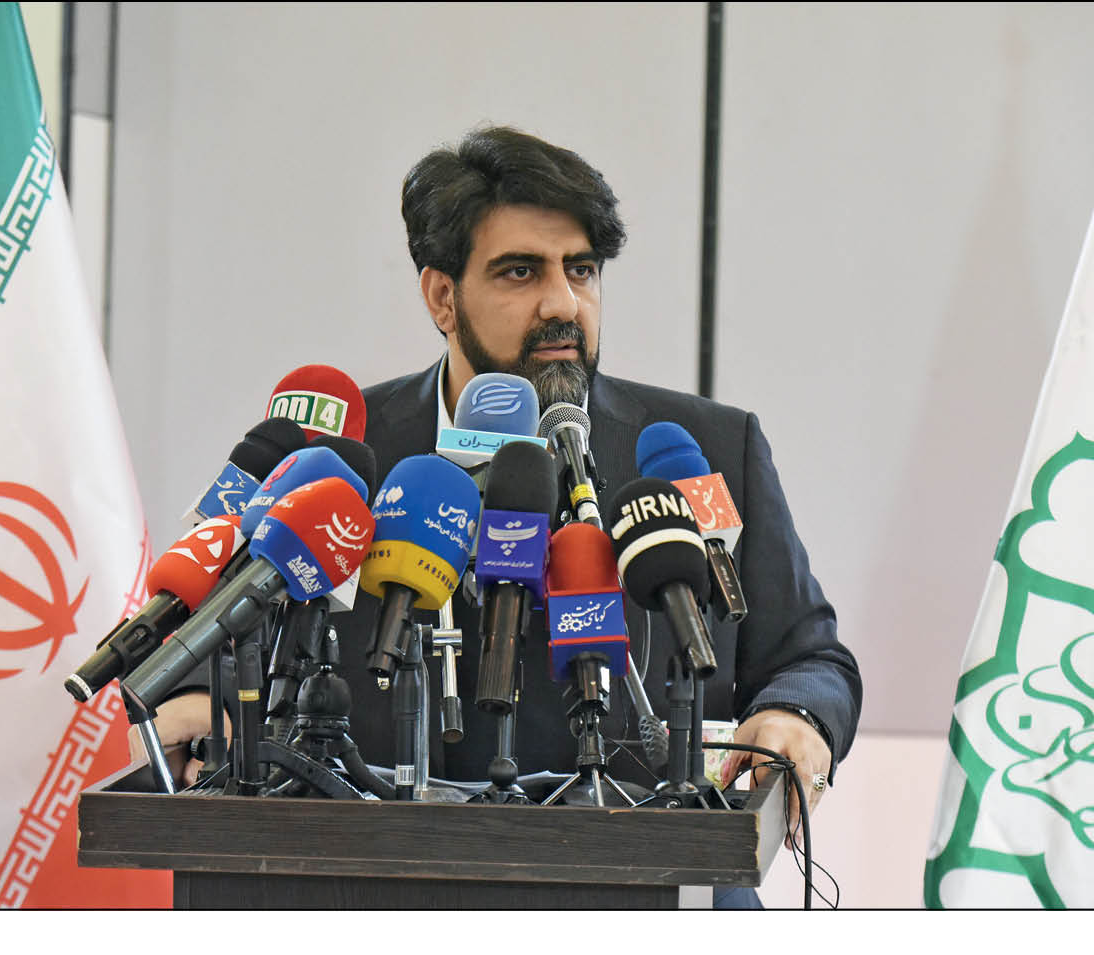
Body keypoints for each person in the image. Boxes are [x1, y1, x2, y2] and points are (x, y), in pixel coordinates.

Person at [134, 126, 862, 898]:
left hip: (648, 891)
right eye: (520, 271)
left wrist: (797, 718)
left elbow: (810, 659)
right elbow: (232, 615)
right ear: (441, 296)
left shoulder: (701, 448)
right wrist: (197, 695)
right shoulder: (347, 451)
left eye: (581, 269)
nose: (563, 303)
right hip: (372, 889)